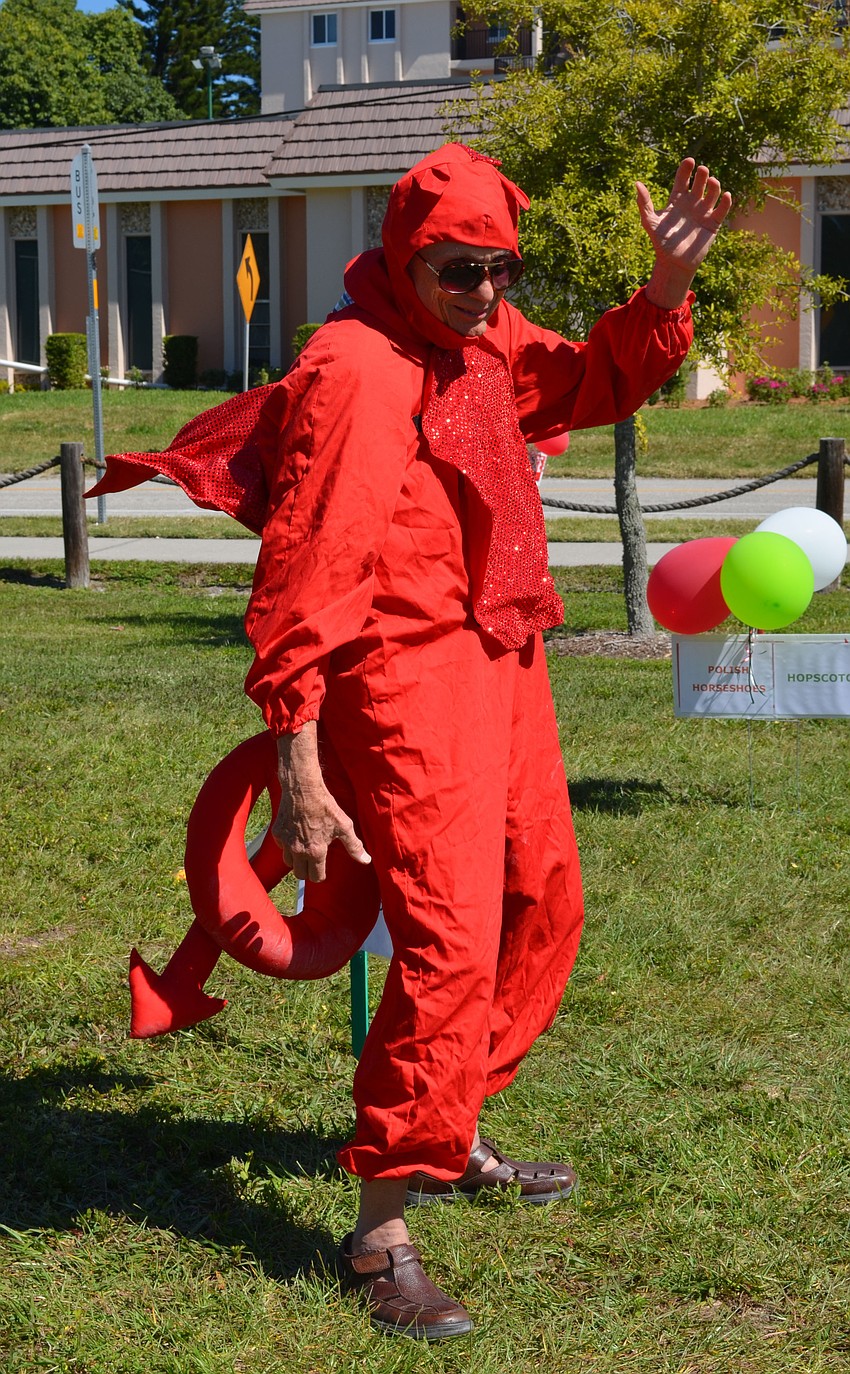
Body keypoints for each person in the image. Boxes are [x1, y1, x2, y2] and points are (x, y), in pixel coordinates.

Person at [89, 144, 730, 1341]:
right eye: (457, 270)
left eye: (499, 269)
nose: (483, 292)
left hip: (501, 650)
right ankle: (381, 1226)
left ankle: (453, 1120)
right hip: (397, 677)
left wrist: (663, 286)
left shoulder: (482, 336)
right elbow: (310, 566)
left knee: (539, 898)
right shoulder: (355, 371)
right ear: (403, 257)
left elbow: (588, 382)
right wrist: (297, 756)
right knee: (447, 940)